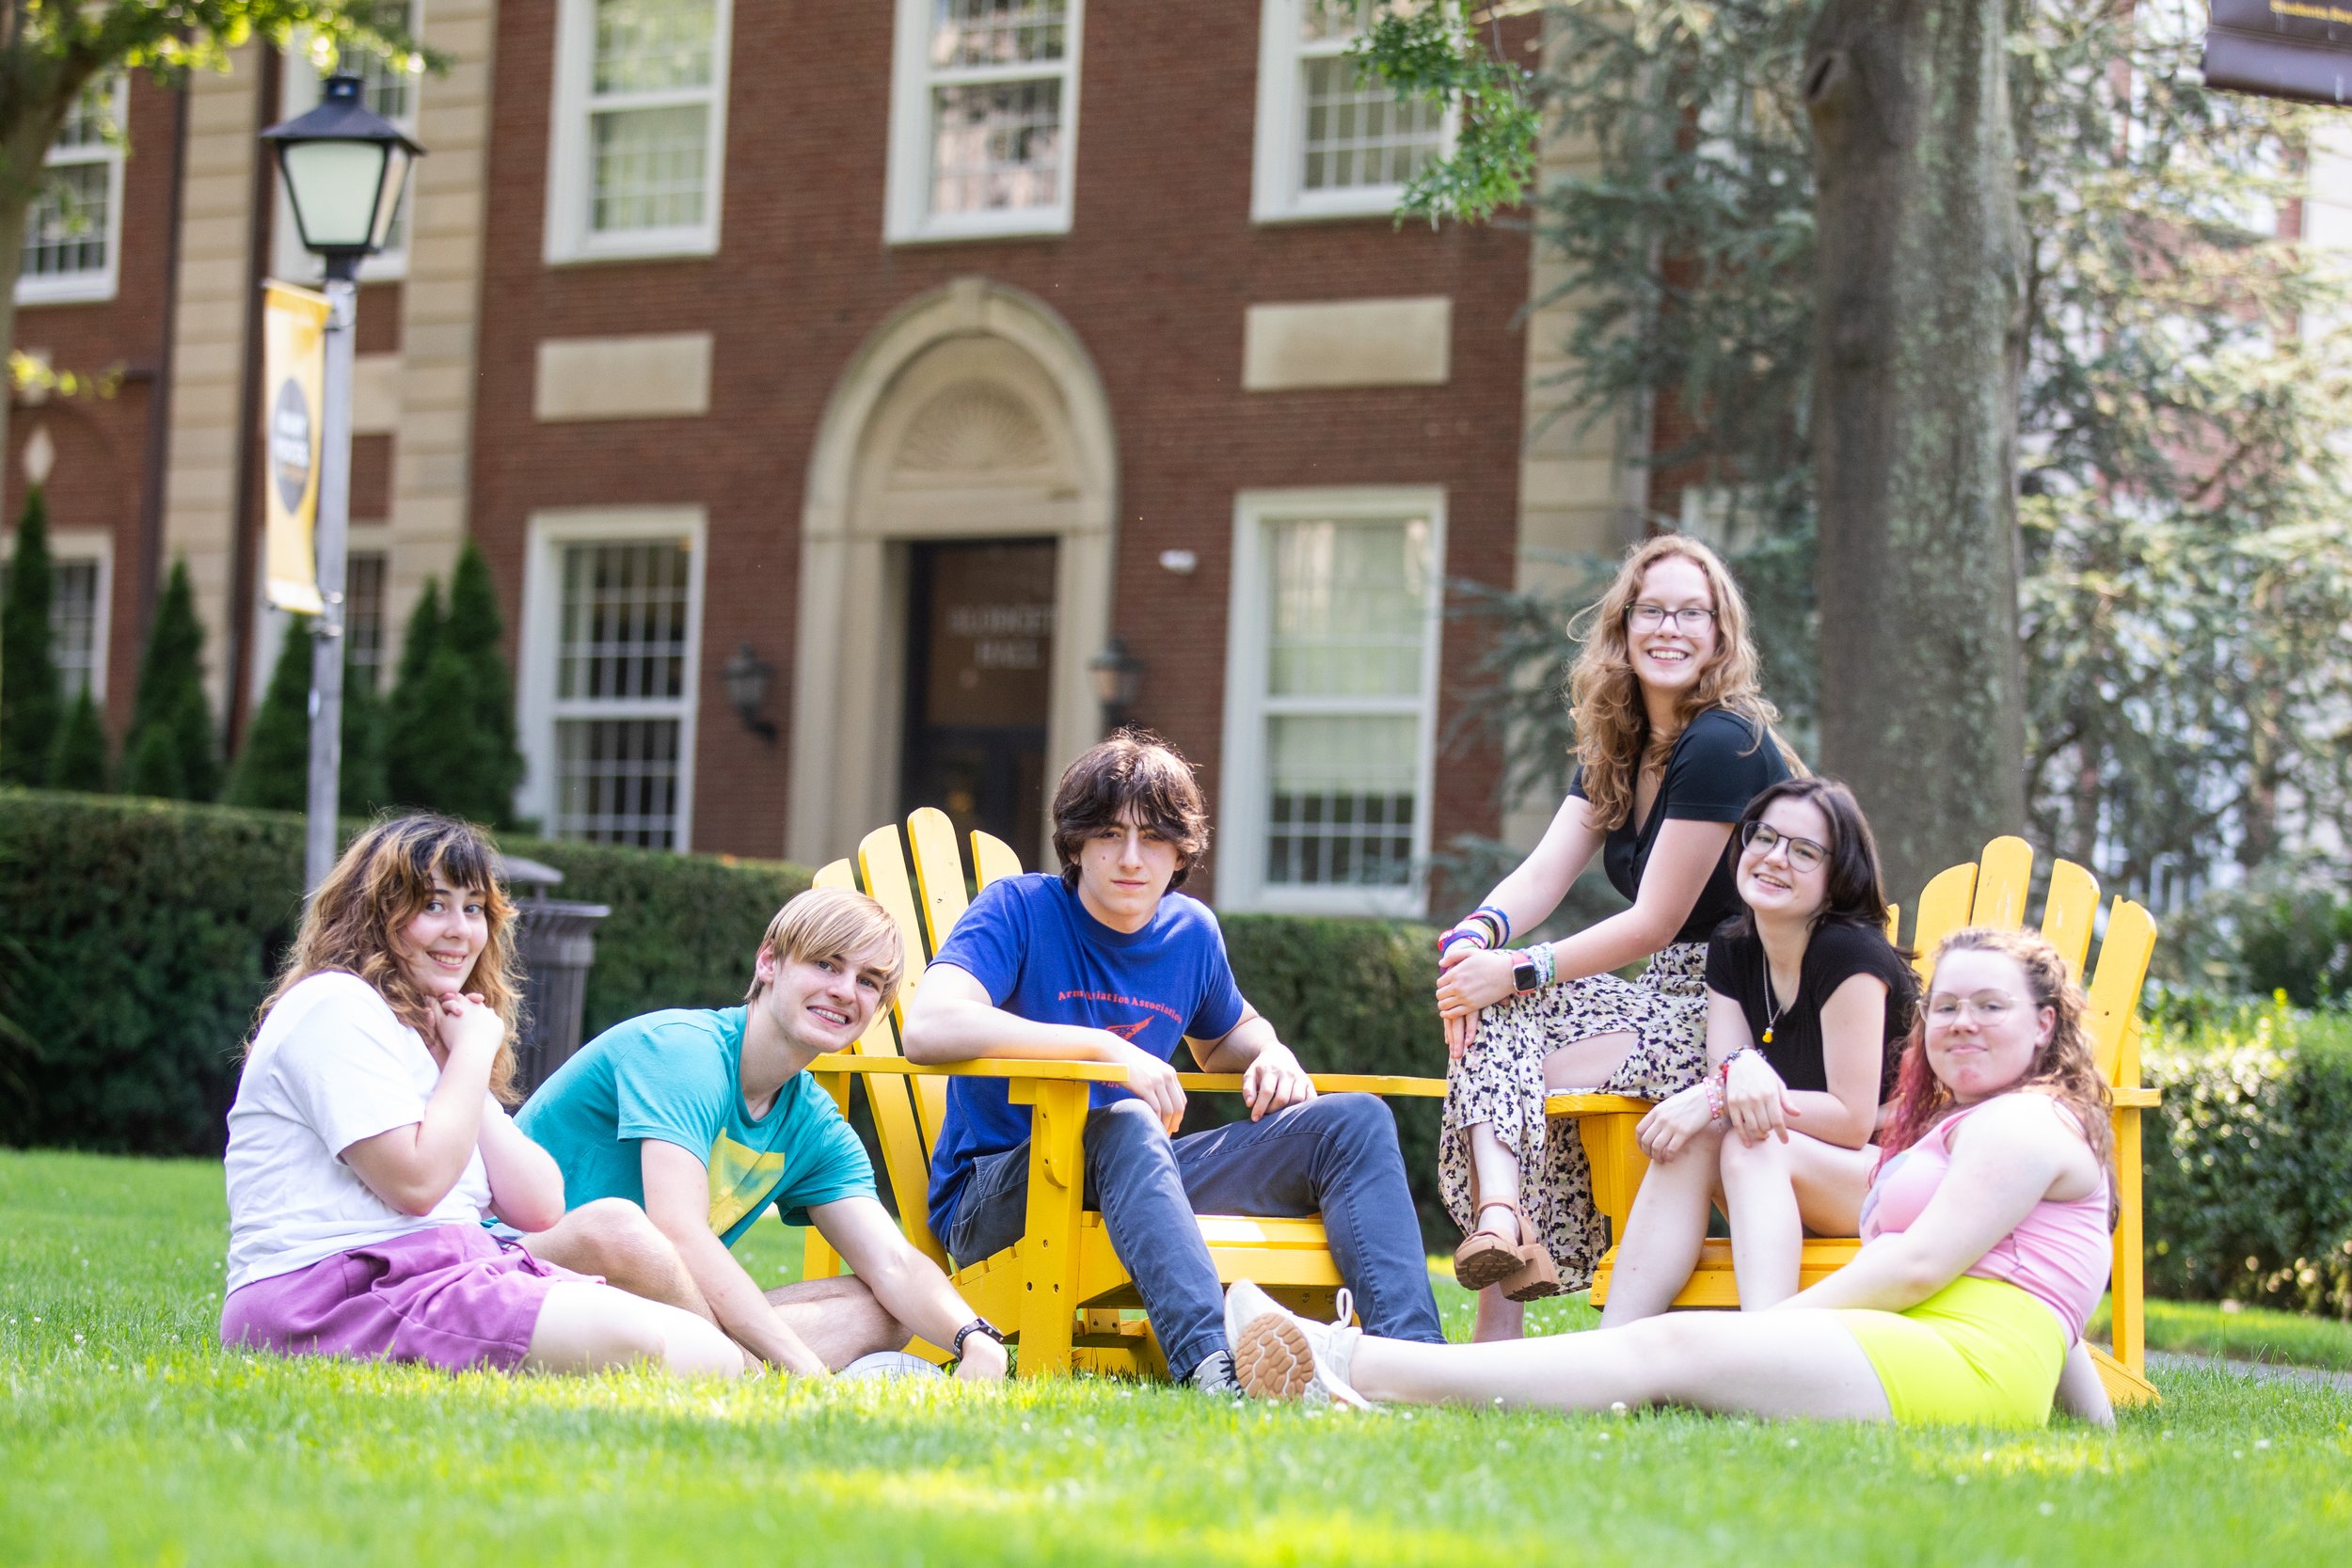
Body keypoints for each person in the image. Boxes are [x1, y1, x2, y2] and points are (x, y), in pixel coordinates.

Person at [1227, 927, 2121, 1429]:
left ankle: (1347, 1365)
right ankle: (1350, 1368)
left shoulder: (2024, 1121)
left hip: (1960, 1366)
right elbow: (2059, 1313)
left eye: (1989, 1006)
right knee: (1671, 1349)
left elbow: (1920, 1268)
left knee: (1676, 1348)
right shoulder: (1982, 1124)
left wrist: (1770, 1333)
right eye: (1948, 1007)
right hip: (1948, 1357)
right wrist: (2098, 1428)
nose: (1960, 1023)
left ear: (2045, 1025)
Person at [900, 732, 1446, 1392]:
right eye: (1108, 833)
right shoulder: (1018, 910)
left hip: (1134, 1176)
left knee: (1353, 1121)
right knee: (1128, 1119)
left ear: (1181, 849)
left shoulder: (1189, 934)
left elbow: (1225, 1037)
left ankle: (1422, 1367)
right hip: (997, 1194)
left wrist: (1271, 1052)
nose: (1131, 857)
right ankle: (1216, 1368)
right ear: (1075, 843)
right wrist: (1108, 1048)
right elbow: (928, 1026)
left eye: (1154, 837)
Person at [220, 815, 744, 1378]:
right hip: (334, 1290)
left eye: (473, 909)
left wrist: (459, 1058)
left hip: (456, 1271)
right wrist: (471, 1053)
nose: (460, 931)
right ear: (371, 913)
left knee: (709, 1351)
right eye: (433, 905)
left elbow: (540, 1207)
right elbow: (415, 1183)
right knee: (634, 1339)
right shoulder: (334, 1005)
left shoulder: (430, 1035)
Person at [1437, 534, 1799, 1338]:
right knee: (1498, 1019)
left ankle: (1504, 1283)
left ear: (1719, 635)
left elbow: (1655, 920)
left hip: (1738, 1013)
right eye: (1652, 610)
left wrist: (1517, 969)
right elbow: (1543, 874)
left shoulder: (1722, 741)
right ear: (1624, 625)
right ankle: (1500, 1225)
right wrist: (1474, 938)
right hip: (1664, 996)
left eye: (1691, 613)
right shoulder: (1624, 741)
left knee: (1518, 1050)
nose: (1669, 628)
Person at [515, 887, 1009, 1380]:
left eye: (869, 982)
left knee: (884, 1309)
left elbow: (894, 1263)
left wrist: (977, 1340)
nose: (844, 991)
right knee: (622, 1229)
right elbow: (677, 1231)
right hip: (516, 1277)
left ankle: (705, 1360)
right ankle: (738, 1369)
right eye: (826, 964)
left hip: (651, 1307)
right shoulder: (684, 1053)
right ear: (769, 962)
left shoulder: (812, 1121)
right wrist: (804, 1368)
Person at [1597, 778, 1916, 1323]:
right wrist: (1720, 1094)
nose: (1774, 858)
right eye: (1763, 837)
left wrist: (1715, 1098)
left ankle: (1766, 1346)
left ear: (1839, 876)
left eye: (1804, 851)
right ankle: (1611, 1349)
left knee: (1747, 1141)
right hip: (1798, 1172)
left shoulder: (1849, 954)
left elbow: (1851, 1119)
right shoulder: (1734, 944)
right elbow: (1731, 1069)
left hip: (1902, 1173)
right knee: (1701, 1137)